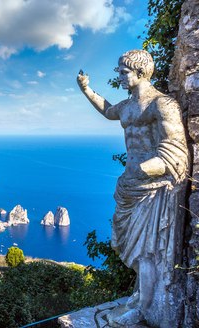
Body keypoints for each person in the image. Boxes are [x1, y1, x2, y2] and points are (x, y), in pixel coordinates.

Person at [77, 49, 188, 326]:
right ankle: (140, 299)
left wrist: (143, 169)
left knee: (147, 249)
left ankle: (145, 307)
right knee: (134, 248)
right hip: (130, 186)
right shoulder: (127, 106)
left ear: (141, 73)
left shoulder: (162, 105)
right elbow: (106, 110)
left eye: (123, 72)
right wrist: (86, 90)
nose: (120, 76)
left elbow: (176, 151)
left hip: (151, 187)